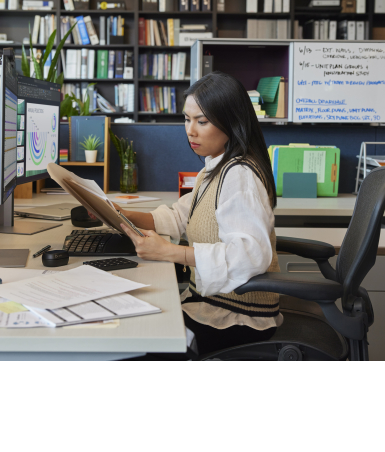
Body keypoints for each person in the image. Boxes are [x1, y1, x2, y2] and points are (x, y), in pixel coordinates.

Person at [117, 71, 282, 358]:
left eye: (202, 121)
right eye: (187, 119)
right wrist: (119, 213)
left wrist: (170, 252)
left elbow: (250, 255)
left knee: (136, 343)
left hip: (237, 316)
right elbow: (180, 217)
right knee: (136, 324)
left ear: (232, 122)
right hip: (209, 302)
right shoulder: (214, 167)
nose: (190, 130)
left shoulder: (239, 175)